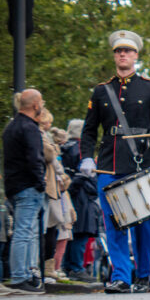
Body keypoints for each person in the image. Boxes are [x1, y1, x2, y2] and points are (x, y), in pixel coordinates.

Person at [78, 30, 150, 294]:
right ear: (114, 55)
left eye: (127, 51)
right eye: (118, 51)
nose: (122, 54)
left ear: (136, 55)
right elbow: (89, 130)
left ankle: (143, 274)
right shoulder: (102, 91)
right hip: (109, 162)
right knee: (113, 221)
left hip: (141, 162)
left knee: (145, 223)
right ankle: (121, 277)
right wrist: (86, 157)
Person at [2, 89, 47, 294]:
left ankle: (25, 275)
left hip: (14, 185)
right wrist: (40, 182)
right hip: (28, 185)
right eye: (42, 103)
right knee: (24, 231)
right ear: (36, 105)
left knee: (23, 231)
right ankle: (21, 276)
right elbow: (34, 158)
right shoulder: (30, 128)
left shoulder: (11, 127)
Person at [38, 110, 75, 283]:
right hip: (51, 188)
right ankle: (47, 267)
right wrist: (63, 175)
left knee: (56, 228)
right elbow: (51, 158)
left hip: (55, 188)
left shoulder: (44, 136)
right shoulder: (42, 137)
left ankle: (51, 267)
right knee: (52, 228)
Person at [62, 119, 98, 282]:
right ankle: (76, 267)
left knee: (70, 234)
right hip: (82, 198)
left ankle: (68, 266)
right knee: (80, 234)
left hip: (71, 195)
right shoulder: (79, 150)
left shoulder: (65, 148)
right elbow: (84, 176)